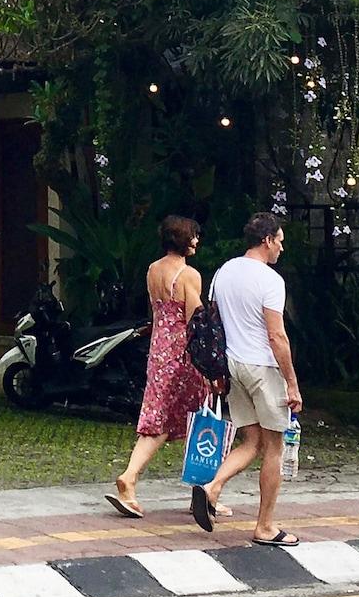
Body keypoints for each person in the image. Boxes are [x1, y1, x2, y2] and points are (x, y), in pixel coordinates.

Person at [192, 211, 303, 546]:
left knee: (251, 442)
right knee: (274, 448)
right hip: (263, 368)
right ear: (267, 240)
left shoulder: (224, 272)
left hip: (233, 365)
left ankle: (212, 488)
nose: (282, 248)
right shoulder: (271, 281)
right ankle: (265, 526)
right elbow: (277, 336)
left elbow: (213, 323)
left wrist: (214, 371)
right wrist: (292, 383)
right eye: (280, 241)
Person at [107, 215, 212, 518]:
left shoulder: (153, 269)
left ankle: (199, 489)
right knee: (197, 418)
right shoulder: (188, 275)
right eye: (193, 236)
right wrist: (208, 362)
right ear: (182, 239)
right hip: (183, 354)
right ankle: (199, 489)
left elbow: (157, 313)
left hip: (158, 350)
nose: (197, 241)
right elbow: (194, 320)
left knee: (160, 415)